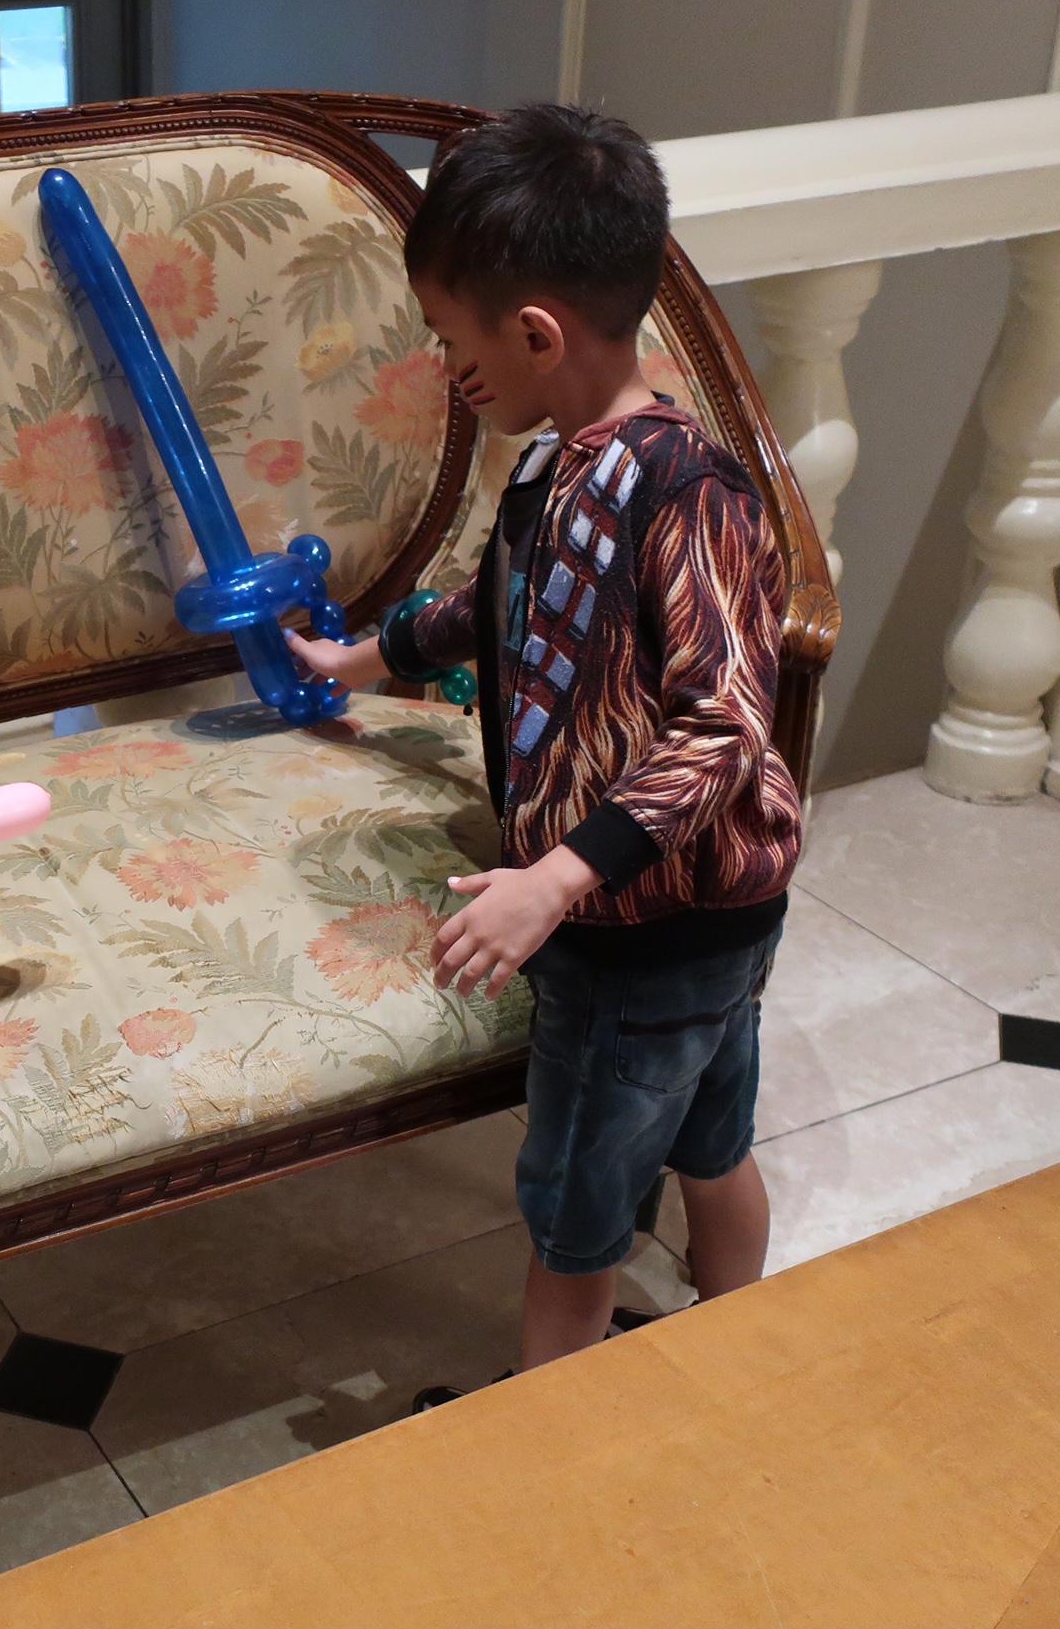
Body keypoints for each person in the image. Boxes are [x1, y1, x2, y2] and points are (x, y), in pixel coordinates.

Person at [290, 103, 803, 1374]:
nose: (448, 372)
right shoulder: (556, 469)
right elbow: (496, 605)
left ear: (533, 335)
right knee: (713, 1145)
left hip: (640, 935)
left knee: (577, 1224)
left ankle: (551, 1440)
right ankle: (734, 1356)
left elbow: (725, 725)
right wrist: (360, 662)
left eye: (453, 344)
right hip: (687, 925)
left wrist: (556, 881)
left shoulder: (689, 495)